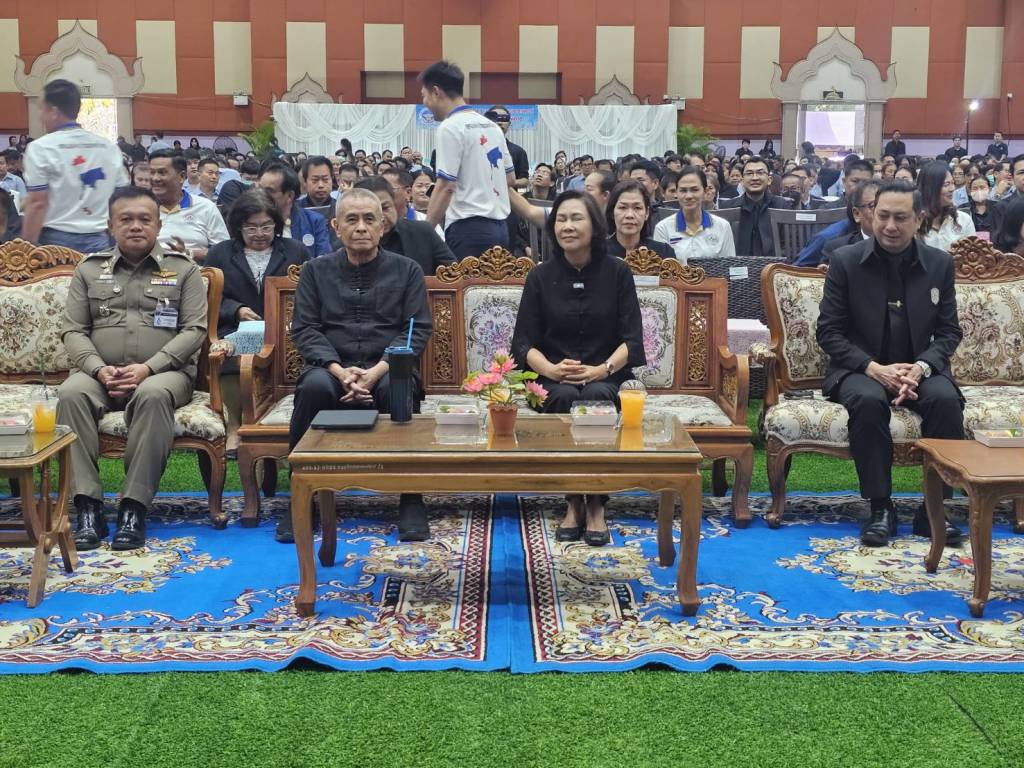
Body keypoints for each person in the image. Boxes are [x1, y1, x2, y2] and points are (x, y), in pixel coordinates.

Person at [58, 186, 208, 551]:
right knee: (71, 393)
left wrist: (148, 369)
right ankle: (88, 508)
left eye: (145, 219)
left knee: (153, 395)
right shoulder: (89, 270)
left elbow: (194, 330)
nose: (136, 226)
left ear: (159, 224)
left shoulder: (183, 270)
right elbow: (73, 330)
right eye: (126, 219)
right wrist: (98, 370)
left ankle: (133, 508)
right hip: (99, 374)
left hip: (164, 374)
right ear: (111, 225)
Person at [817, 179, 965, 548]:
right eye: (882, 215)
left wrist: (921, 368)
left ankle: (933, 509)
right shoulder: (845, 261)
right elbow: (829, 332)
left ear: (919, 219)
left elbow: (949, 332)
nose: (890, 226)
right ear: (870, 214)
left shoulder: (939, 264)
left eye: (900, 218)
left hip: (918, 369)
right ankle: (881, 507)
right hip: (860, 369)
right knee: (868, 401)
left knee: (946, 400)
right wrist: (872, 368)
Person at [285, 189, 433, 543]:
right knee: (314, 387)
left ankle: (411, 496)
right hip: (330, 368)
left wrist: (378, 370)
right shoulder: (315, 271)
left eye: (369, 219)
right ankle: (302, 497)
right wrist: (339, 371)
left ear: (383, 226)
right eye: (351, 219)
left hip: (387, 368)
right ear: (336, 227)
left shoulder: (407, 271)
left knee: (398, 387)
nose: (361, 227)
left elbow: (416, 329)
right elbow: (305, 328)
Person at [510, 190, 645, 546]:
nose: (567, 226)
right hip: (552, 378)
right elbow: (522, 344)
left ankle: (596, 501)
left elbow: (632, 341)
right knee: (564, 396)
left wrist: (602, 368)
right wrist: (551, 369)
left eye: (576, 218)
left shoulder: (618, 272)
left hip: (606, 374)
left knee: (597, 396)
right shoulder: (540, 276)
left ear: (595, 226)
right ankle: (573, 498)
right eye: (561, 220)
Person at [420, 60, 514, 258]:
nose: (424, 103)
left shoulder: (450, 127)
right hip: (501, 229)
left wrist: (425, 233)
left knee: (464, 281)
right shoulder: (492, 127)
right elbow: (510, 179)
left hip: (468, 229)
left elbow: (446, 186)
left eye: (424, 96)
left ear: (436, 92)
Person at [21, 79, 128, 251]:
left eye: (42, 109)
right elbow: (121, 196)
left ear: (54, 112)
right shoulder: (108, 147)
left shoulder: (41, 148)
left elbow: (37, 203)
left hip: (55, 240)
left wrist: (26, 248)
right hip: (100, 237)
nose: (40, 116)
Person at [354, 177, 455, 276]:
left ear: (394, 204)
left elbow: (454, 275)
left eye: (385, 208)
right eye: (372, 212)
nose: (381, 217)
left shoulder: (423, 232)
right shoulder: (351, 241)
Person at [149, 150, 228, 260]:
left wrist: (189, 253)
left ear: (181, 177)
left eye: (162, 173)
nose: (155, 178)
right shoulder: (140, 209)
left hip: (195, 268)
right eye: (152, 173)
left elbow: (224, 251)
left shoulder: (206, 207)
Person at [653, 166, 736, 262]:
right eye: (683, 190)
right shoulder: (663, 228)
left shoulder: (722, 226)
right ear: (677, 193)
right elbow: (660, 268)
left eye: (694, 190)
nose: (688, 196)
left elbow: (729, 266)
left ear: (705, 192)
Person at [718, 156, 792, 256]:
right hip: (736, 264)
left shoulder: (781, 205)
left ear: (769, 180)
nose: (755, 178)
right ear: (742, 181)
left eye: (760, 173)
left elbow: (789, 244)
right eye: (749, 173)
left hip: (773, 264)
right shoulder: (728, 208)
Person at [257, 160, 332, 258]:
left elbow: (324, 259)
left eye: (268, 191)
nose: (260, 194)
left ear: (289, 196)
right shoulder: (251, 221)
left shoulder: (314, 221)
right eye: (259, 189)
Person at [604, 180, 674, 260]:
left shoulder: (664, 253)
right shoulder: (599, 252)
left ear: (647, 213)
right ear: (612, 212)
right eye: (623, 207)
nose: (630, 215)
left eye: (637, 208)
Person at [917, 160, 975, 251]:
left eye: (952, 183)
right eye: (946, 184)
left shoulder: (963, 219)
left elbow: (972, 255)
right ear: (930, 188)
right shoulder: (915, 221)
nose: (952, 189)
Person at [820, 179, 880, 264]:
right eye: (873, 206)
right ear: (857, 214)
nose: (882, 212)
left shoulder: (898, 246)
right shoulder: (837, 249)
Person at [484, 105, 529, 190]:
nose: (499, 122)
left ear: (509, 124)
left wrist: (507, 182)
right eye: (495, 118)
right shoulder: (478, 148)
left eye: (504, 119)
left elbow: (525, 181)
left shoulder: (519, 151)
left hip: (508, 196)